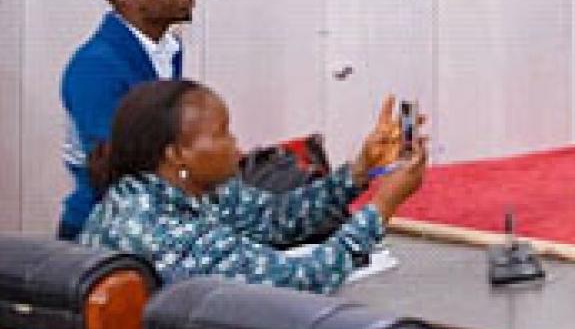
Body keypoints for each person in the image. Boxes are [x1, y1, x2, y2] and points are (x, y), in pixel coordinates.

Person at [80, 81, 428, 293]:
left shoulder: (187, 188)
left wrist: (360, 170)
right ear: (176, 155)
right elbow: (302, 279)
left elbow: (277, 218)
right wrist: (383, 206)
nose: (236, 145)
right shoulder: (162, 231)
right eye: (222, 134)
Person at [58, 0, 194, 238]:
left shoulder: (168, 49)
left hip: (149, 217)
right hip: (102, 229)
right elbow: (112, 166)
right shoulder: (96, 66)